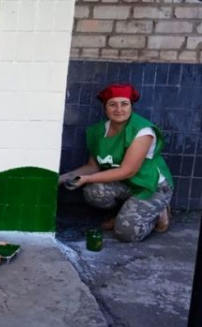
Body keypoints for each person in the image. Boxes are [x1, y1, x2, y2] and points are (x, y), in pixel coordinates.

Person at [58, 83, 173, 243]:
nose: (119, 109)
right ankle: (128, 212)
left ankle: (159, 213)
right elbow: (93, 167)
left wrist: (85, 179)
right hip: (126, 184)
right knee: (93, 192)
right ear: (105, 109)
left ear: (131, 107)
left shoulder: (142, 131)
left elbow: (128, 171)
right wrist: (61, 179)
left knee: (126, 234)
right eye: (112, 104)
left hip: (151, 185)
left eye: (124, 104)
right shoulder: (98, 131)